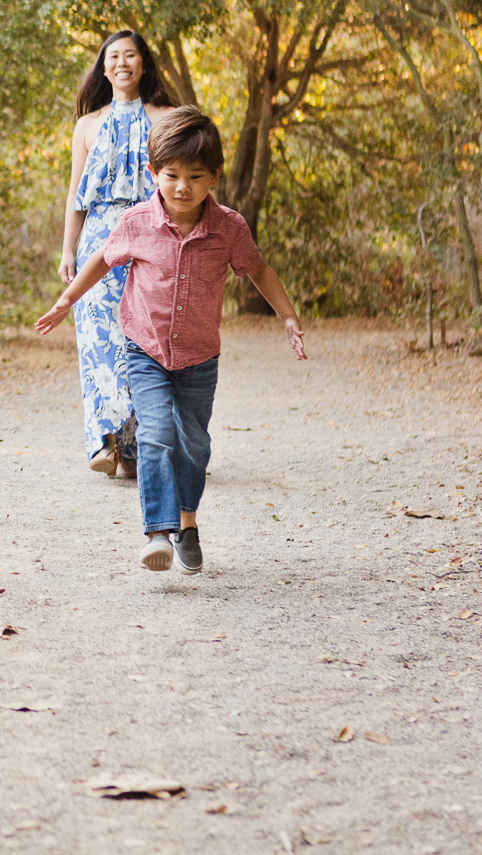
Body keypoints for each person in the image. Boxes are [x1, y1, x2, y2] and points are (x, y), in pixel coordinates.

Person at [35, 107, 307, 574]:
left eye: (196, 176)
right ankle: (157, 532)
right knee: (157, 435)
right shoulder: (138, 222)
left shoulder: (229, 228)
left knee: (195, 447)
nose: (183, 186)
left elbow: (258, 269)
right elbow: (102, 258)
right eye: (172, 174)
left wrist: (288, 318)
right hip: (145, 351)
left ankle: (188, 524)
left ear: (215, 176)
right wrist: (67, 301)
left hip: (200, 358)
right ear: (153, 173)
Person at [59, 30, 174, 479]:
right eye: (114, 56)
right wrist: (68, 249)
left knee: (146, 340)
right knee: (98, 344)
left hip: (151, 239)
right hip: (98, 246)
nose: (123, 63)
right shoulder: (87, 125)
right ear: (103, 67)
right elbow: (75, 196)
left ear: (144, 64)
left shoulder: (169, 117)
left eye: (131, 55)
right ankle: (109, 444)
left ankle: (139, 443)